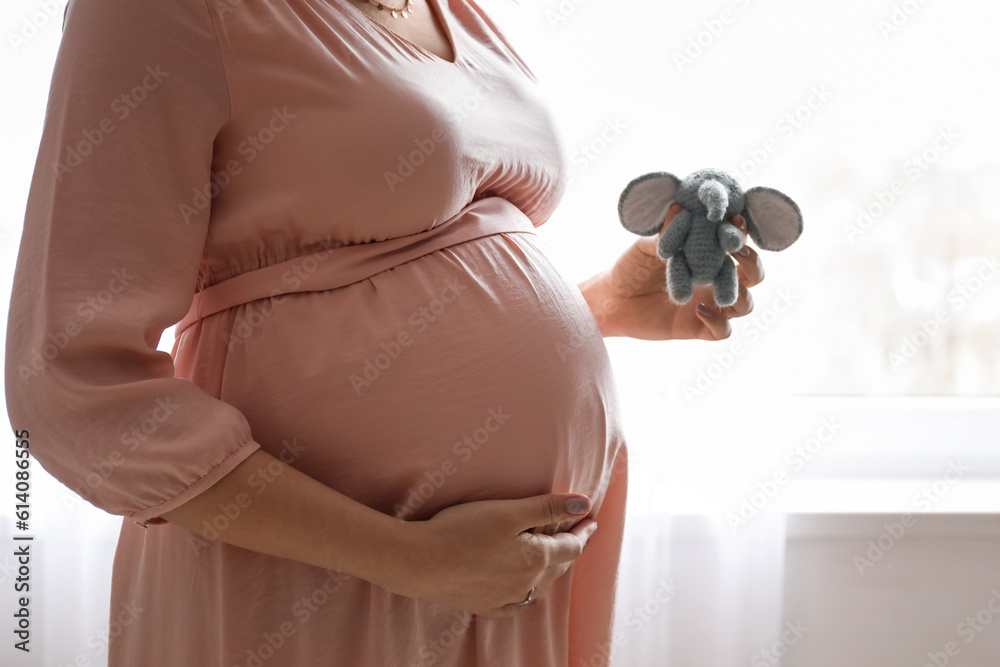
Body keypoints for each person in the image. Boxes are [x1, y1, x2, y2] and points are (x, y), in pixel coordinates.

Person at [3, 0, 763, 664]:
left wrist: (599, 309)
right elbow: (68, 383)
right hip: (318, 583)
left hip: (509, 585)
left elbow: (402, 289)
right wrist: (412, 558)